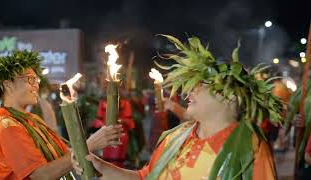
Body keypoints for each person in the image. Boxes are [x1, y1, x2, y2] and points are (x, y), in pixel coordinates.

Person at [72, 35, 282, 180]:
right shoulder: (176, 136)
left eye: (201, 84)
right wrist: (101, 166)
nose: (189, 91)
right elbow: (145, 177)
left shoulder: (250, 147)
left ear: (230, 96)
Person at [0, 50, 122, 180]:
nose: (36, 85)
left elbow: (65, 156)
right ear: (7, 85)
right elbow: (40, 176)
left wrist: (86, 158)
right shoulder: (6, 126)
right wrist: (90, 144)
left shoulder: (33, 119)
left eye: (36, 79)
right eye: (30, 79)